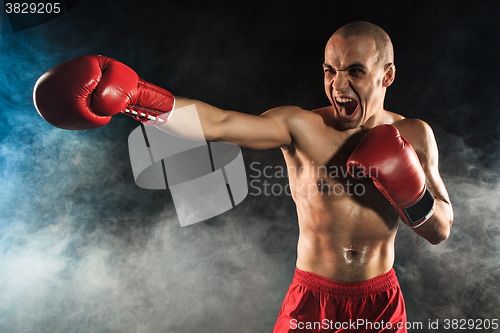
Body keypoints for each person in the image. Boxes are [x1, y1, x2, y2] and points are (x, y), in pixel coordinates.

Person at [34, 21, 453, 332]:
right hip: (313, 301)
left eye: (355, 72)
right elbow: (218, 123)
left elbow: (440, 230)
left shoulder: (415, 135)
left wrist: (409, 189)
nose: (338, 85)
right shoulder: (301, 126)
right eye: (329, 70)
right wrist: (138, 98)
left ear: (387, 75)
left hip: (379, 302)